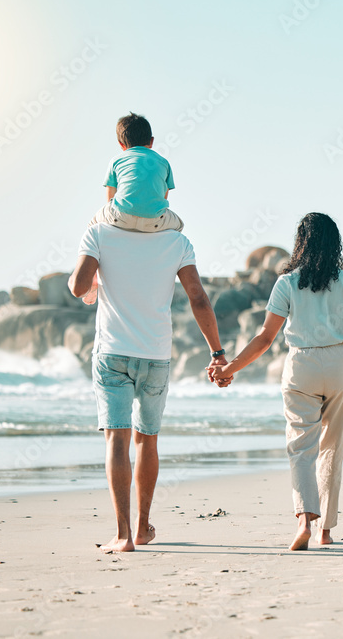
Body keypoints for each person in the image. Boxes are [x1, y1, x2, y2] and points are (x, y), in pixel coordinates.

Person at [210, 213, 343, 551]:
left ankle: (305, 520)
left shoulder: (287, 283)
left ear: (300, 242)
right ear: (335, 245)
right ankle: (326, 530)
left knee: (301, 447)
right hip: (339, 363)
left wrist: (231, 368)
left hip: (300, 363)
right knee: (333, 447)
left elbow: (264, 338)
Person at [68, 222, 229, 553]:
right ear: (164, 192)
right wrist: (217, 352)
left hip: (112, 353)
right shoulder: (177, 241)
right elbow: (197, 297)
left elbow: (77, 287)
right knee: (147, 441)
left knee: (117, 438)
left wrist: (95, 264)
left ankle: (123, 535)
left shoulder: (98, 233)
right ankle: (142, 527)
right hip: (155, 354)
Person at [84, 113, 184, 305]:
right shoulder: (164, 163)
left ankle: (92, 277)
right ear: (152, 141)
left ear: (121, 145)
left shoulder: (116, 161)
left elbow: (110, 199)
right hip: (155, 221)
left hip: (119, 215)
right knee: (179, 227)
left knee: (91, 226)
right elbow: (162, 198)